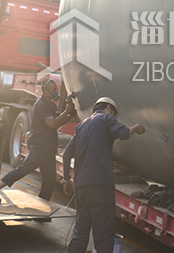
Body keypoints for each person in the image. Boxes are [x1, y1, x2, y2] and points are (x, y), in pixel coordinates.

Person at [62, 97, 145, 253]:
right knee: (103, 234)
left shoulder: (82, 125)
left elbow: (66, 154)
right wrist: (136, 128)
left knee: (80, 232)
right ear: (108, 108)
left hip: (81, 187)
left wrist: (67, 179)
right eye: (114, 114)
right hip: (100, 186)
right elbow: (124, 133)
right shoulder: (106, 118)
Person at [0, 78, 75, 200]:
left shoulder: (51, 105)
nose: (55, 92)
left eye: (55, 89)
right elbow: (52, 124)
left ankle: (43, 202)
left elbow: (58, 122)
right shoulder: (41, 105)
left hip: (49, 149)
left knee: (49, 180)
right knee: (22, 170)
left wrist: (70, 115)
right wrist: (67, 111)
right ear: (44, 91)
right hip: (39, 147)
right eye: (53, 90)